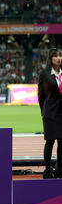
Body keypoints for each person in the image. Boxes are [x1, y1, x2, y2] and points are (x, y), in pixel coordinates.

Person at [38, 48, 62, 179]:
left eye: (60, 56)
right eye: (55, 56)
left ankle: (59, 169)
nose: (59, 58)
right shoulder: (45, 74)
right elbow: (40, 95)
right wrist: (44, 112)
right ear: (50, 59)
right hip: (50, 112)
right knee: (50, 142)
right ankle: (47, 170)